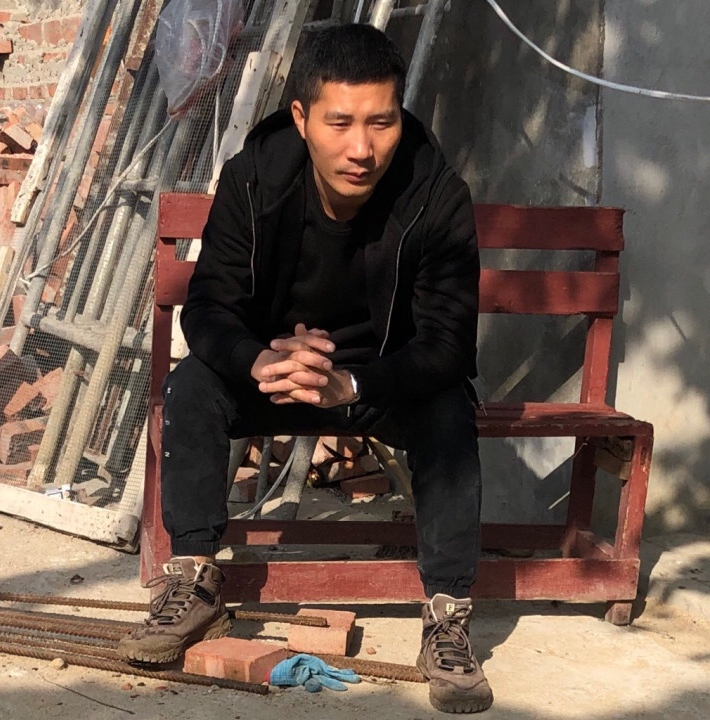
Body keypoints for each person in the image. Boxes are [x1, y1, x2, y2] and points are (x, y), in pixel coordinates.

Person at [118, 23, 492, 714]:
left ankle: (447, 618)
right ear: (301, 116)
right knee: (192, 384)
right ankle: (193, 580)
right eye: (340, 122)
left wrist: (353, 382)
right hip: (275, 373)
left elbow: (448, 345)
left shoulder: (436, 194)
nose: (362, 148)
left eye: (381, 122)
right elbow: (210, 307)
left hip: (378, 381)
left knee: (449, 409)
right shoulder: (253, 177)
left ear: (400, 115)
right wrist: (259, 360)